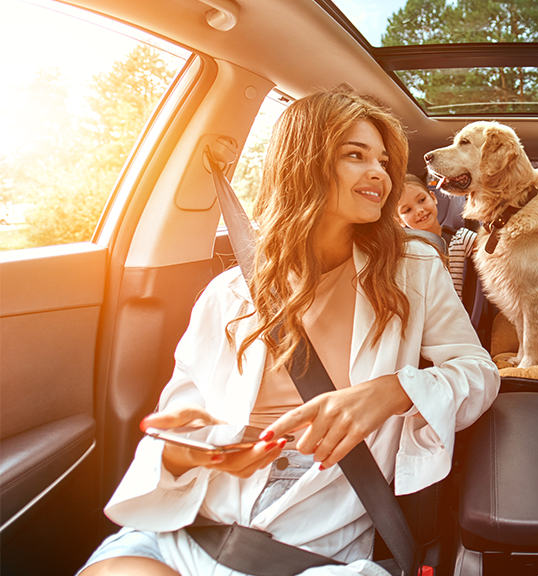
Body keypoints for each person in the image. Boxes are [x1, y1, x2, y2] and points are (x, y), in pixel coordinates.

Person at [80, 90, 499, 576]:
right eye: (354, 155)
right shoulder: (229, 291)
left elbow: (479, 373)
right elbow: (181, 419)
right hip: (192, 525)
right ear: (303, 163)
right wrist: (186, 451)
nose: (379, 174)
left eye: (383, 160)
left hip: (319, 542)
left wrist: (395, 391)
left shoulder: (414, 270)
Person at [396, 173, 478, 299]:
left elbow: (493, 249)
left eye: (422, 200)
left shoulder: (459, 238)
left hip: (455, 315)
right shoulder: (407, 253)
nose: (419, 210)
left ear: (433, 197)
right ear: (400, 221)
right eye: (407, 210)